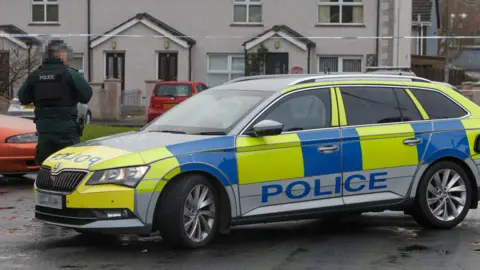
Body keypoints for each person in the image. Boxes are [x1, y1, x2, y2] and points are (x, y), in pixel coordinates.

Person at [17, 39, 93, 164]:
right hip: (67, 131)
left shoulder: (35, 75)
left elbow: (23, 98)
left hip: (44, 130)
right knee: (70, 166)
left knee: (46, 166)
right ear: (60, 53)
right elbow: (86, 96)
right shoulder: (70, 74)